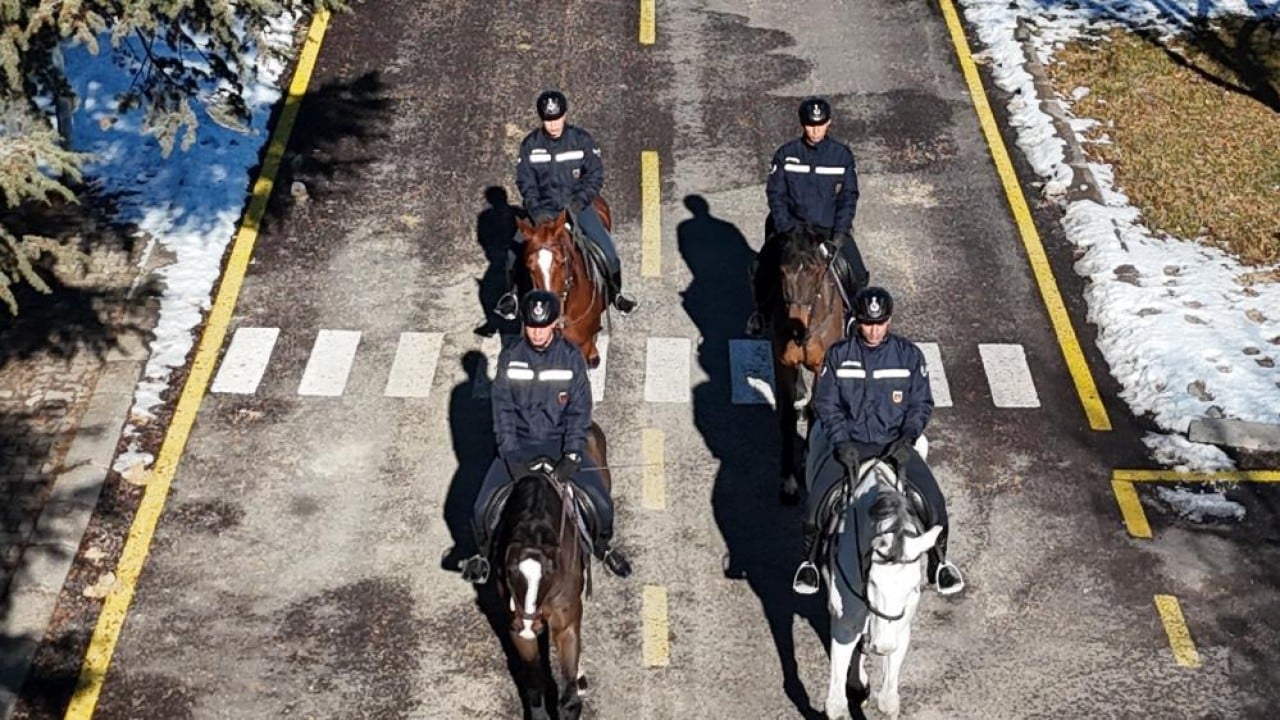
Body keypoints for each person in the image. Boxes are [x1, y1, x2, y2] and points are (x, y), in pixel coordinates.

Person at [792, 286, 964, 596]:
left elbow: (921, 403)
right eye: (868, 323)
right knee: (815, 506)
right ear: (857, 321)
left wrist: (907, 437)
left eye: (880, 323)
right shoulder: (839, 356)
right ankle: (810, 564)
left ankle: (939, 565)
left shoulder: (909, 356)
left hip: (893, 446)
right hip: (851, 446)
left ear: (889, 321)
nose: (874, 330)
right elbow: (826, 403)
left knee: (934, 504)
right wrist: (841, 442)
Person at [461, 290, 632, 584]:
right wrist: (512, 457)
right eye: (531, 326)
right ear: (524, 325)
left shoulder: (570, 358)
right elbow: (503, 412)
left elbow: (579, 411)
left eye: (543, 326)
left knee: (602, 506)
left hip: (559, 444)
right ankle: (484, 556)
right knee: (481, 509)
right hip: (520, 447)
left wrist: (573, 455)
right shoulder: (511, 357)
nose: (537, 333)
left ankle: (603, 547)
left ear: (554, 324)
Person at [494, 90, 638, 320]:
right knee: (513, 253)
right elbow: (525, 181)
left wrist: (579, 201)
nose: (553, 125)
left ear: (565, 115)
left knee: (608, 251)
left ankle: (616, 293)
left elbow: (595, 175)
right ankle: (510, 298)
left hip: (577, 207)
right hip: (542, 211)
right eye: (548, 120)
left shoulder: (582, 141)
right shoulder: (530, 145)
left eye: (557, 118)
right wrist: (537, 212)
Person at [747, 96, 868, 337]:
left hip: (827, 230)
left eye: (820, 124)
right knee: (761, 268)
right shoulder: (786, 155)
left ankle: (853, 318)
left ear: (829, 123)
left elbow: (848, 197)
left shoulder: (842, 157)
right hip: (792, 230)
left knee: (858, 273)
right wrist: (786, 231)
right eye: (811, 125)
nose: (815, 130)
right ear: (802, 125)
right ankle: (762, 313)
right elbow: (776, 194)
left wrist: (839, 236)